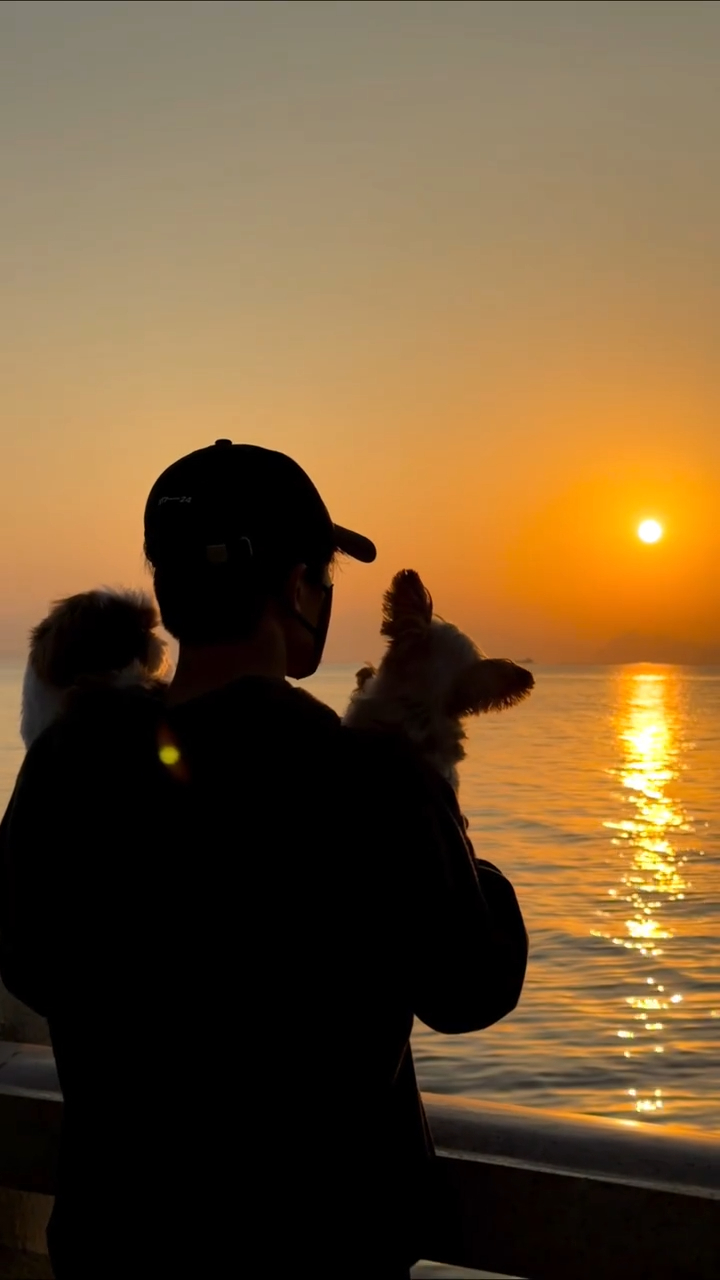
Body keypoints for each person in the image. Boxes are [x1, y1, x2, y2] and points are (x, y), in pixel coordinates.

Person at [0, 441, 528, 1279]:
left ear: (170, 591)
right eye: (321, 577)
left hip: (121, 1242)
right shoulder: (373, 776)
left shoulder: (70, 758)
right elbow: (472, 987)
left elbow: (26, 960)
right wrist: (467, 850)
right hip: (315, 1252)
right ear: (292, 588)